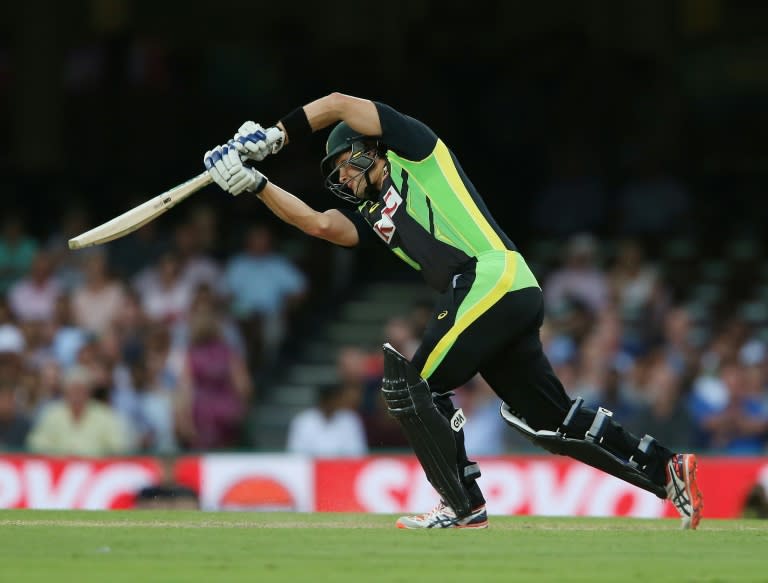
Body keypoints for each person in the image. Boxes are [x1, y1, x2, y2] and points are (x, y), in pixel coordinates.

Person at [201, 92, 703, 529]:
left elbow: (336, 103)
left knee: (411, 385)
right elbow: (319, 225)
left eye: (347, 165)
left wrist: (275, 136)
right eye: (336, 176)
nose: (346, 180)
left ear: (371, 148)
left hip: (490, 276)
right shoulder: (375, 215)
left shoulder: (417, 152)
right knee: (550, 421)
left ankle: (462, 504)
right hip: (507, 292)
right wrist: (256, 184)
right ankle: (665, 470)